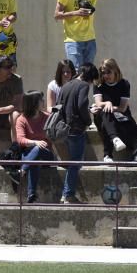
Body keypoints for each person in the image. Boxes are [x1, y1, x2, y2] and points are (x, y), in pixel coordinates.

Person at [58, 62, 99, 204]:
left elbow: (59, 105)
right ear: (90, 77)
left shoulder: (66, 85)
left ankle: (66, 193)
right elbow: (81, 105)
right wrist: (88, 121)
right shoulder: (83, 86)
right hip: (76, 130)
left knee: (71, 163)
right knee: (75, 163)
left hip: (63, 129)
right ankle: (68, 195)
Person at [93, 59, 137, 163]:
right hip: (102, 115)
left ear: (115, 71)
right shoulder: (98, 84)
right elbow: (99, 103)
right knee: (105, 112)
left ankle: (107, 155)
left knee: (106, 121)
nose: (106, 75)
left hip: (119, 115)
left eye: (108, 72)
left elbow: (122, 108)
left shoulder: (124, 84)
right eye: (103, 72)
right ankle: (115, 139)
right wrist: (107, 103)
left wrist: (110, 107)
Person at [15, 91, 55, 204]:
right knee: (35, 158)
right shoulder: (21, 119)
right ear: (34, 103)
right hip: (29, 155)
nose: (43, 102)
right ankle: (31, 195)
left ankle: (22, 171)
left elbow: (53, 137)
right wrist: (35, 142)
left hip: (47, 154)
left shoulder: (48, 117)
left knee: (39, 149)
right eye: (41, 100)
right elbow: (20, 140)